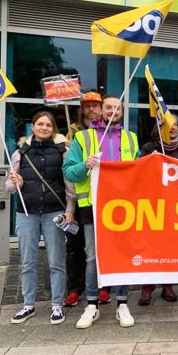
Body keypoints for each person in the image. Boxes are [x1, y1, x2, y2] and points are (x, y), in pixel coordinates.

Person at [63, 94, 139, 329]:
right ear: (100, 110)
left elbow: (138, 171)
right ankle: (92, 305)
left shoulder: (131, 138)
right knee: (92, 258)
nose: (112, 112)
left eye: (117, 108)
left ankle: (122, 304)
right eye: (108, 107)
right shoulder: (82, 138)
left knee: (123, 255)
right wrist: (84, 164)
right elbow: (68, 172)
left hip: (122, 207)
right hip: (92, 206)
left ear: (122, 112)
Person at [6, 111, 75, 325]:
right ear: (33, 127)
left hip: (54, 212)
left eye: (48, 125)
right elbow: (8, 187)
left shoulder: (63, 151)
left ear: (53, 128)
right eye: (40, 124)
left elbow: (69, 185)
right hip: (27, 213)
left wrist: (70, 208)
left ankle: (56, 305)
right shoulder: (20, 153)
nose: (44, 127)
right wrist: (16, 182)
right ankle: (28, 305)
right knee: (28, 261)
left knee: (56, 260)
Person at [138, 119, 178, 306]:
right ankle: (147, 288)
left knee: (170, 246)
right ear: (159, 128)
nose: (173, 128)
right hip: (153, 205)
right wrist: (149, 161)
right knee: (151, 246)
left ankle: (168, 286)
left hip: (176, 206)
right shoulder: (148, 148)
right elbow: (136, 171)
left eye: (176, 126)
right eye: (168, 125)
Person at [63, 91, 104, 308]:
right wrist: (70, 205)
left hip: (102, 201)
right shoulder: (74, 135)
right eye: (87, 106)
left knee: (102, 247)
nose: (91, 109)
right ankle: (75, 288)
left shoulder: (108, 133)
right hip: (79, 201)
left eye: (95, 106)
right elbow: (68, 174)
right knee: (76, 247)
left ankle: (103, 287)